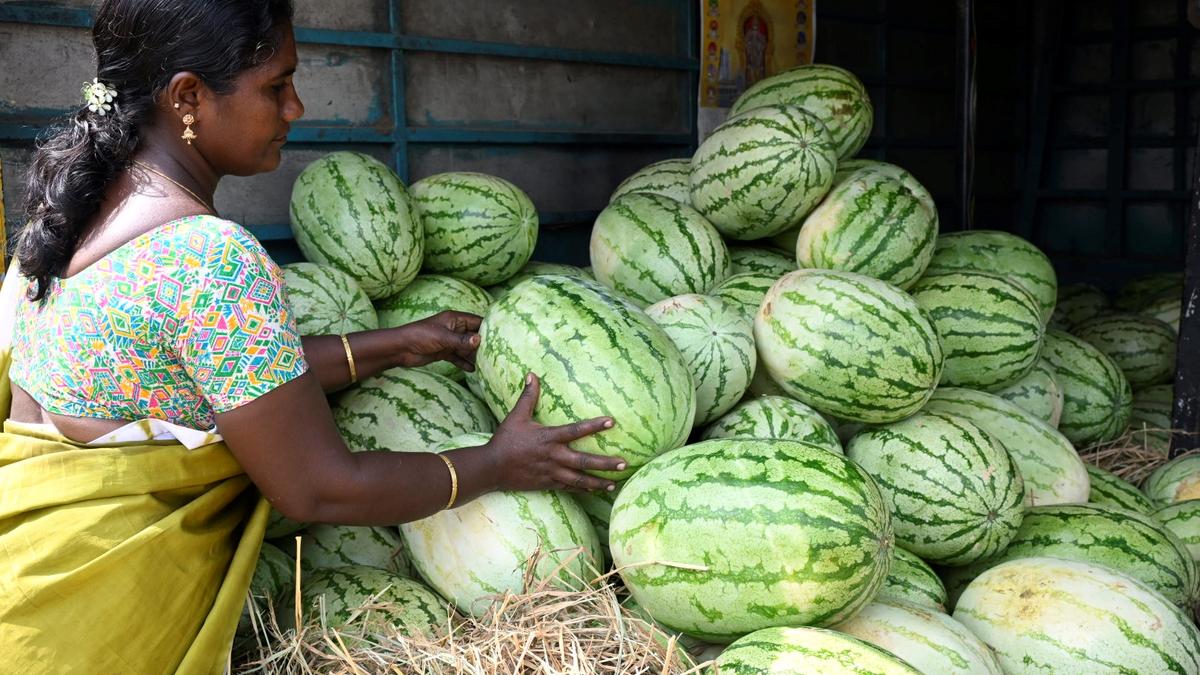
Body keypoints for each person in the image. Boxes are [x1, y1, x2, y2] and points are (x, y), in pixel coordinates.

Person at [0, 1, 624, 672]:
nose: (296, 108)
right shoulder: (209, 258)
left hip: (32, 602)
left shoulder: (70, 214)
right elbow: (320, 486)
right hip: (94, 640)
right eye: (276, 86)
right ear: (189, 96)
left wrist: (398, 343)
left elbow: (217, 377)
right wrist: (497, 463)